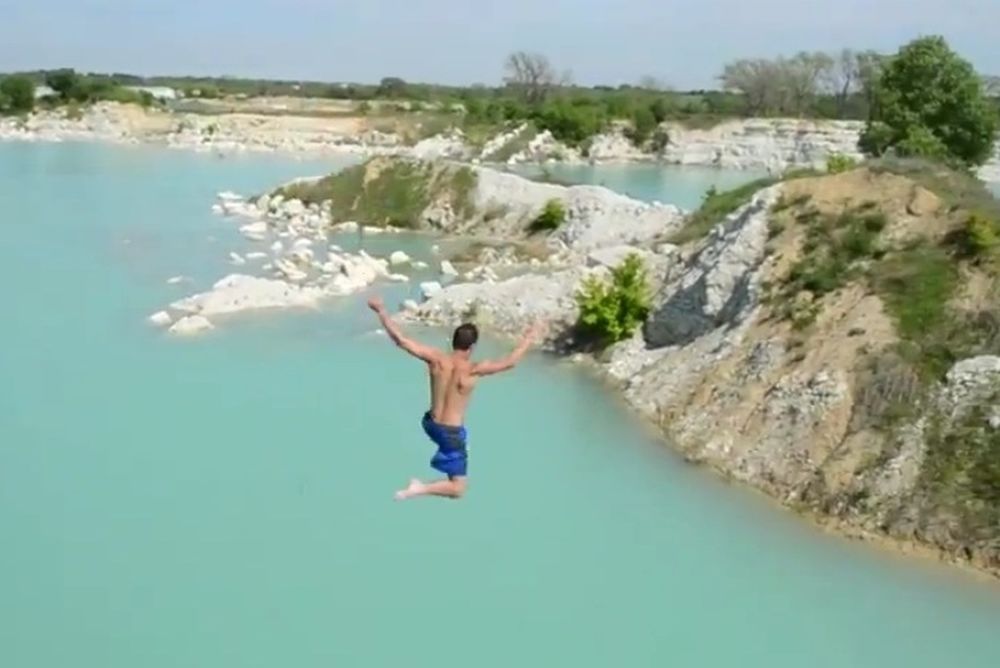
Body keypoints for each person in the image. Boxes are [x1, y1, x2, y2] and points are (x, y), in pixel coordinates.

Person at [367, 295, 543, 500]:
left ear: (453, 342)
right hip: (450, 433)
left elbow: (401, 340)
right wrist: (530, 337)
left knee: (459, 439)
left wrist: (381, 310)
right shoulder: (473, 369)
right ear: (472, 347)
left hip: (430, 424)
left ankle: (454, 450)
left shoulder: (435, 359)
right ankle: (418, 488)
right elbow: (510, 362)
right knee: (458, 489)